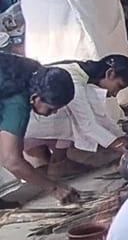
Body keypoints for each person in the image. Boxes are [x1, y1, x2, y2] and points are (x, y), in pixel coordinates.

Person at [25, 53, 128, 168]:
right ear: (110, 74)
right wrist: (120, 146)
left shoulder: (80, 73)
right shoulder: (74, 81)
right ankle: (59, 163)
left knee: (84, 111)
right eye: (118, 86)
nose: (115, 94)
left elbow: (97, 116)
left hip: (37, 114)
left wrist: (120, 136)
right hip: (30, 119)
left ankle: (60, 161)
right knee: (77, 122)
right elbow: (87, 125)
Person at [0, 57, 78, 203]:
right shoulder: (18, 104)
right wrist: (54, 187)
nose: (53, 113)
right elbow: (12, 162)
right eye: (52, 109)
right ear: (35, 97)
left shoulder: (28, 71)